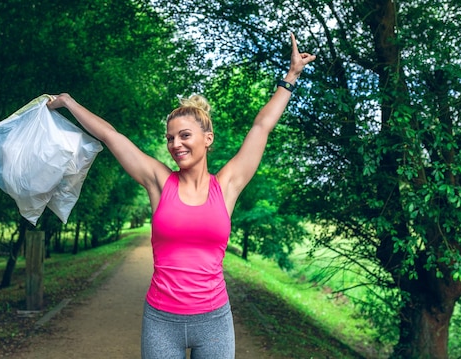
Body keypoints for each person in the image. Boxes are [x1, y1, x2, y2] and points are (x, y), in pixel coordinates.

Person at [48, 33, 315, 359]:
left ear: (208, 138)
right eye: (170, 138)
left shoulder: (227, 185)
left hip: (215, 320)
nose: (175, 144)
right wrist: (69, 102)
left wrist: (291, 76)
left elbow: (261, 127)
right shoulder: (159, 182)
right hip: (161, 320)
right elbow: (111, 136)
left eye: (184, 135)